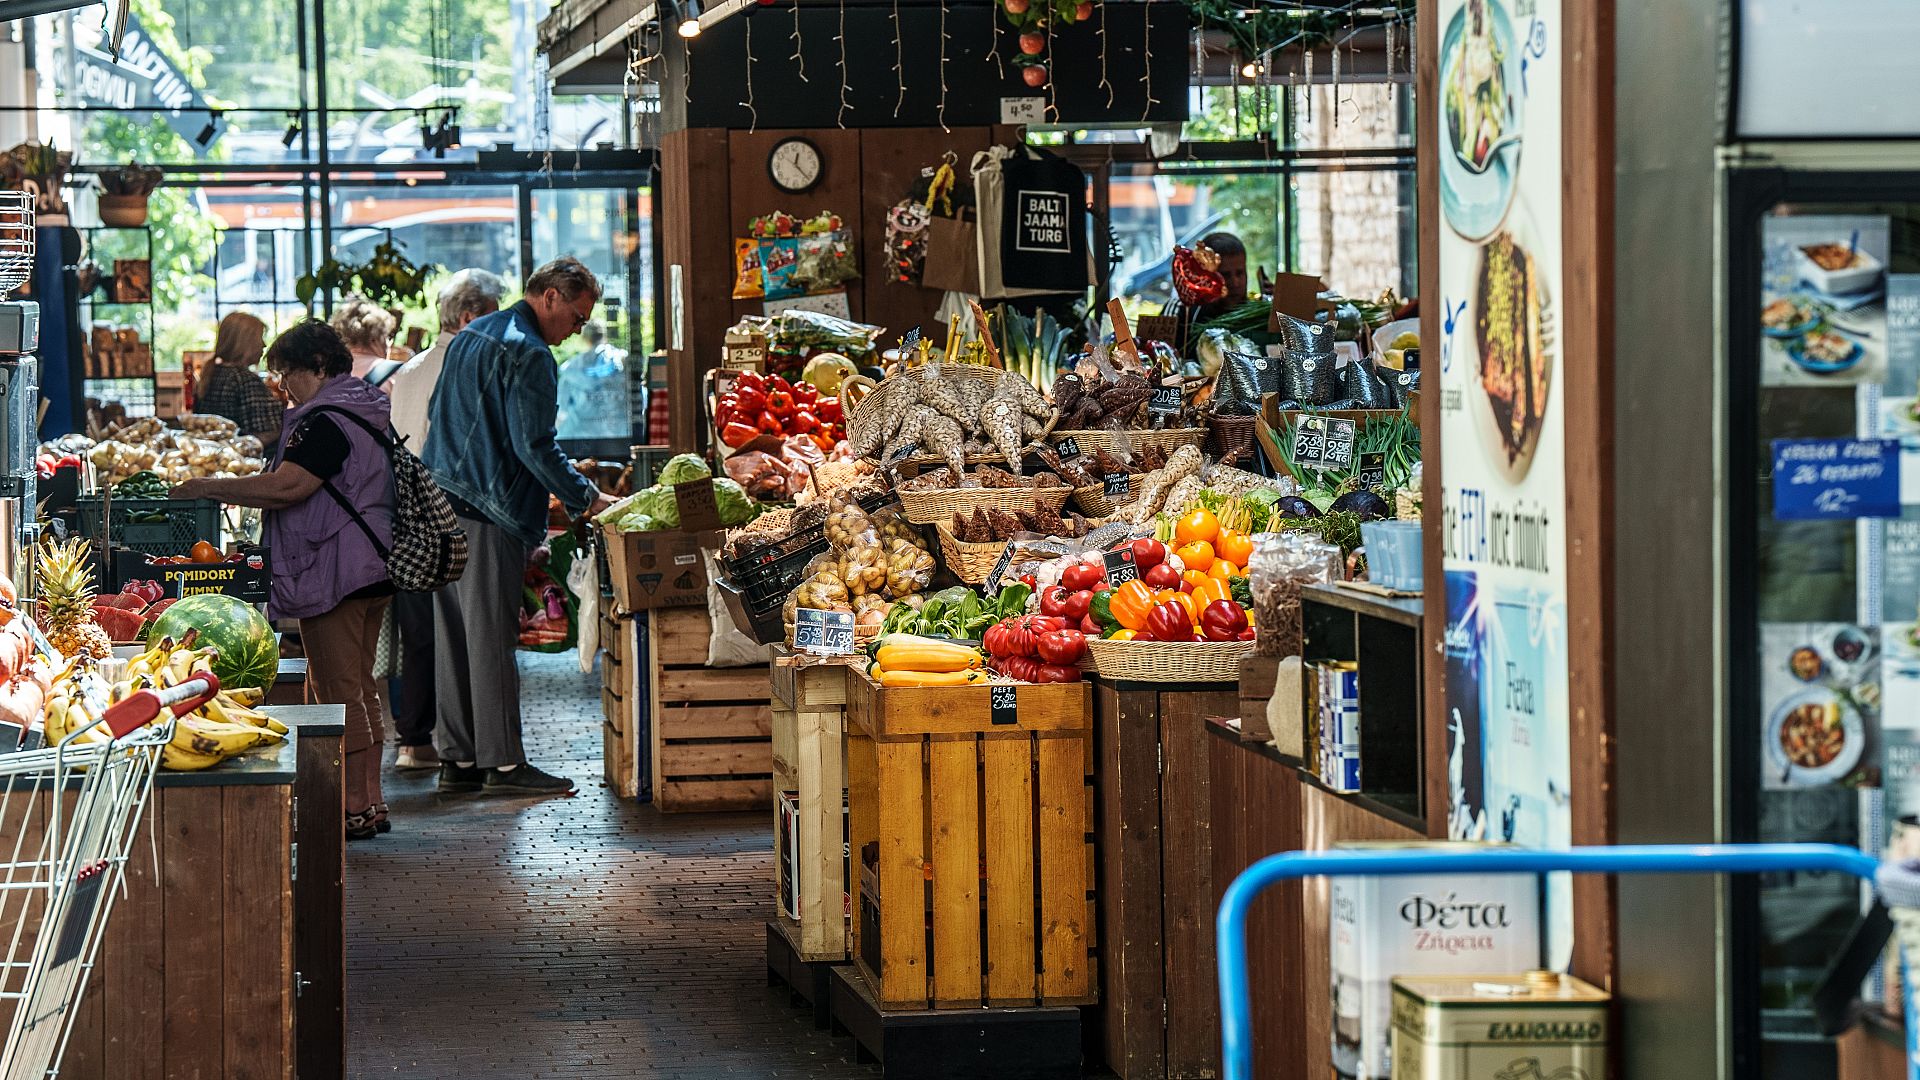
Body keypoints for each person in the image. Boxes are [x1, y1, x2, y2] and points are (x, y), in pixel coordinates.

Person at [172, 320, 397, 840]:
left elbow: (290, 486)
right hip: (369, 564)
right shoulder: (362, 405)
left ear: (317, 367)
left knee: (339, 691)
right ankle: (371, 801)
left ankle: (354, 805)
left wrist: (208, 486)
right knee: (361, 686)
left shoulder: (327, 420)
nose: (281, 384)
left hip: (335, 567)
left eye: (286, 372)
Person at [422, 257, 614, 795]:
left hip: (441, 505)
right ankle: (503, 765)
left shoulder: (470, 335)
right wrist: (585, 497)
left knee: (455, 638)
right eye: (576, 319)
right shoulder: (529, 351)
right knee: (489, 639)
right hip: (489, 512)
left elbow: (439, 412)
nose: (574, 332)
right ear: (550, 297)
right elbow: (534, 445)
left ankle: (457, 761)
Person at [382, 268, 506, 772]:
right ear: (470, 316)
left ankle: (424, 744)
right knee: (470, 636)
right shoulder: (474, 366)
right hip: (458, 514)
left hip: (407, 516)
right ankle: (480, 750)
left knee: (422, 635)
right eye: (495, 315)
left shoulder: (409, 370)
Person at [195, 311, 284, 451]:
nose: (264, 345)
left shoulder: (212, 374)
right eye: (259, 338)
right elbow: (268, 432)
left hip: (215, 457)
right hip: (248, 464)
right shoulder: (245, 380)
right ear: (245, 342)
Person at [554, 320, 630, 441]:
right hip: (619, 438)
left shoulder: (570, 369)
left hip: (580, 441)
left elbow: (561, 411)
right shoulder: (623, 361)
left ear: (584, 338)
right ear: (605, 335)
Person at [330, 296, 396, 382]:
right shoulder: (393, 375)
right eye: (387, 337)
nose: (389, 343)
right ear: (374, 338)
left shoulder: (325, 375)